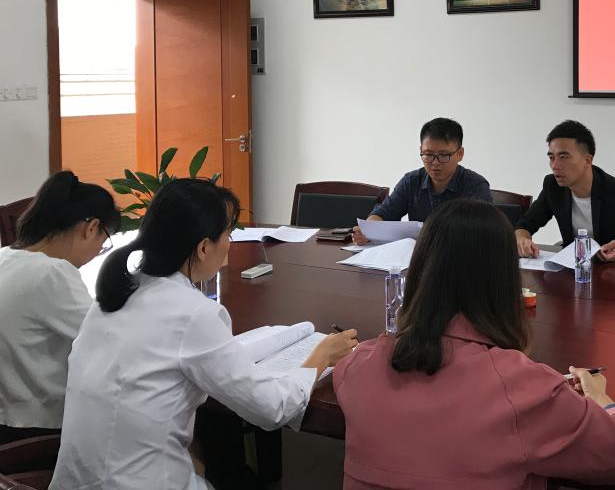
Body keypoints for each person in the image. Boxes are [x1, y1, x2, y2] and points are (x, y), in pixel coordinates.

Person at [52, 178, 358, 490]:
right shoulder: (194, 313)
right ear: (202, 247)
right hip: (137, 482)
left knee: (213, 462)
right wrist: (321, 357)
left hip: (77, 480)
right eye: (227, 234)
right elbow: (273, 408)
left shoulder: (116, 292)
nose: (230, 243)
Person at [334, 198, 615, 488]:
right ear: (505, 280)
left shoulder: (357, 367)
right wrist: (602, 400)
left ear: (420, 269)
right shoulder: (523, 390)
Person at [0, 171, 118, 445]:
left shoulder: (5, 258)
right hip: (40, 429)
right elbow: (110, 340)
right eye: (103, 244)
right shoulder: (52, 273)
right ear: (91, 228)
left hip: (7, 422)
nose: (97, 253)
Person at [514, 120, 615, 260]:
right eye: (551, 157)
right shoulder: (553, 186)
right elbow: (524, 225)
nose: (555, 165)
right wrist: (522, 239)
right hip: (575, 271)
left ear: (587, 160)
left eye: (563, 157)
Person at [352, 117, 491, 244]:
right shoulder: (411, 181)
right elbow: (384, 213)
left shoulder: (475, 186)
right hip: (415, 257)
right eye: (428, 154)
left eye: (443, 155)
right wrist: (368, 231)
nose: (435, 163)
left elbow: (482, 233)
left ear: (460, 154)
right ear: (421, 150)